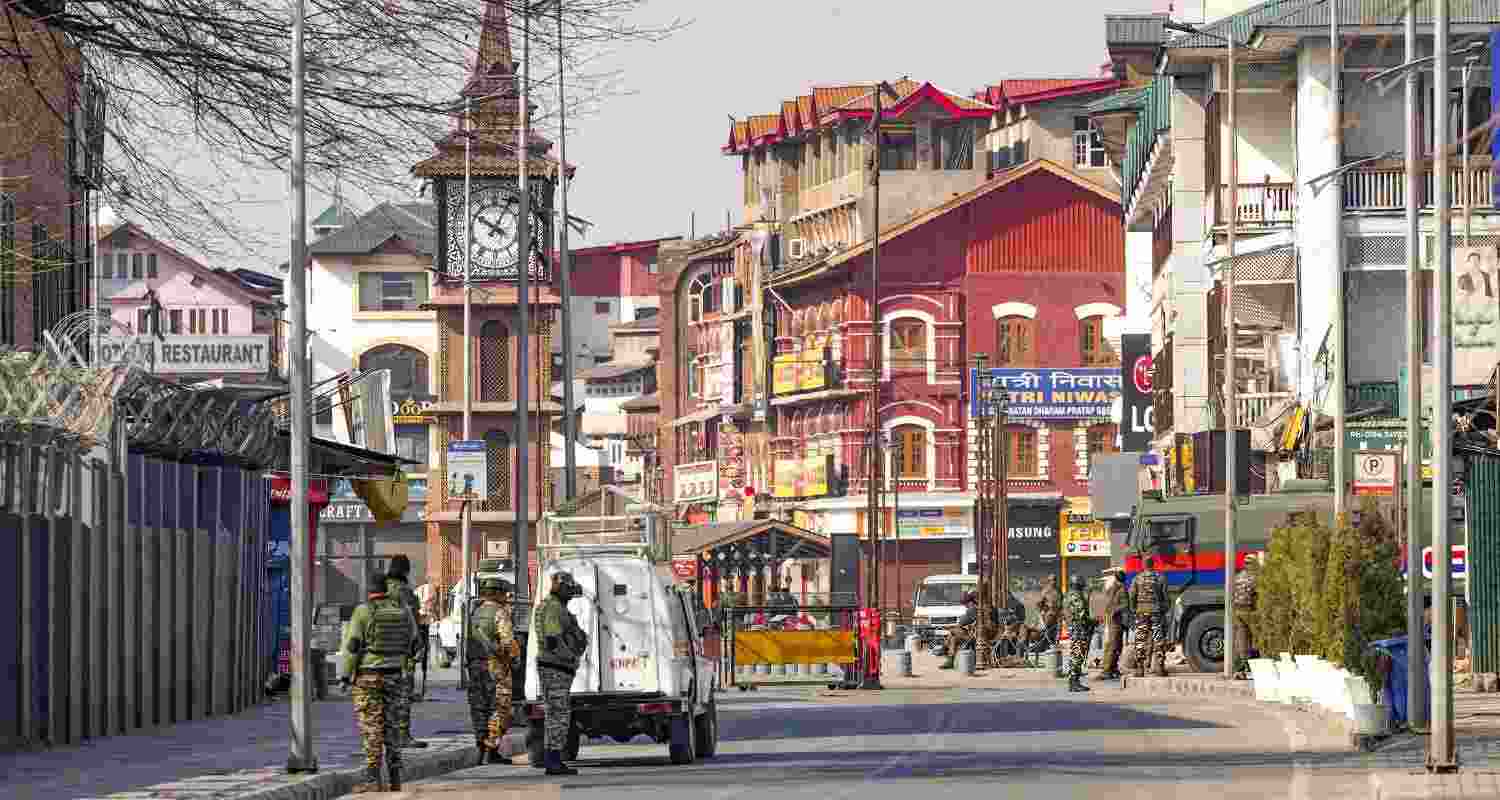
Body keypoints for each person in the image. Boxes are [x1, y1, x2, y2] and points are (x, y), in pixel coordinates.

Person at [340, 566, 419, 794]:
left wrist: (345, 675)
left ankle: (373, 777)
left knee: (372, 727)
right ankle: (395, 778)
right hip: (396, 676)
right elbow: (415, 644)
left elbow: (353, 646)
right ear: (386, 589)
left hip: (368, 677)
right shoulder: (402, 610)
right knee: (393, 726)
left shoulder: (363, 612)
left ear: (369, 591)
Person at [535, 571, 589, 776]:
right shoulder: (553, 608)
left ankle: (554, 759)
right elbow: (552, 639)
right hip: (555, 667)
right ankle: (553, 760)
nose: (570, 594)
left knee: (556, 714)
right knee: (558, 715)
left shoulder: (553, 606)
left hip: (555, 667)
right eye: (569, 590)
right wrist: (570, 658)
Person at [467, 576, 518, 765]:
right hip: (495, 666)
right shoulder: (499, 612)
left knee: (479, 707)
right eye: (504, 593)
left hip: (474, 666)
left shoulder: (476, 612)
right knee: (499, 707)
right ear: (497, 594)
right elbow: (507, 642)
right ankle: (492, 749)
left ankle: (480, 747)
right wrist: (515, 657)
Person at [384, 555, 426, 749]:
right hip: (402, 653)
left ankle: (386, 736)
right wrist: (418, 645)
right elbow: (413, 623)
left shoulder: (381, 590)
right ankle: (402, 735)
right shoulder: (405, 593)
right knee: (402, 696)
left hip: (379, 653)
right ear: (406, 571)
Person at [1129, 555, 1169, 678]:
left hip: (1141, 612)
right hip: (1156, 612)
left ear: (1143, 565)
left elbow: (1132, 595)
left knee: (1141, 639)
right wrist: (1164, 609)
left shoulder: (1137, 578)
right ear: (1153, 564)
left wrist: (1134, 609)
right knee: (1158, 638)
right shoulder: (1160, 577)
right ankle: (1160, 667)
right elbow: (1165, 597)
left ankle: (1140, 668)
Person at [939, 592, 996, 669]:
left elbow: (961, 624)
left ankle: (946, 651)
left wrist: (948, 627)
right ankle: (949, 658)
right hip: (989, 635)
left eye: (965, 604)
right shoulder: (990, 608)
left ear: (970, 602)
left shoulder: (973, 610)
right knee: (953, 638)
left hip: (979, 637)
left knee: (953, 631)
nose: (965, 606)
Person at [1063, 574, 1095, 692]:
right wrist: (1092, 621)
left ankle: (1074, 680)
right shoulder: (1076, 596)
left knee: (1076, 653)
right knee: (1078, 653)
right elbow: (1081, 614)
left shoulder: (1069, 595)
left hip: (1074, 626)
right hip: (1078, 627)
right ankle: (1074, 681)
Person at [1095, 567, 1127, 680]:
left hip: (1115, 620)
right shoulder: (1115, 589)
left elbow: (1124, 604)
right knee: (1113, 645)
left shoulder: (1119, 589)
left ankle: (1111, 668)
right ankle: (1107, 669)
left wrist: (1114, 611)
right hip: (1112, 620)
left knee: (1115, 645)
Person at [1232, 555, 1259, 672]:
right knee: (1255, 637)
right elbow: (1257, 594)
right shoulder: (1253, 578)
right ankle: (1254, 663)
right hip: (1248, 610)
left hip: (1237, 610)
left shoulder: (1237, 577)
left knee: (1241, 638)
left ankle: (1242, 664)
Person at [1037, 575, 1062, 645]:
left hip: (1057, 614)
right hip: (1048, 614)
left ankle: (1055, 644)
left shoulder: (1058, 590)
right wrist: (1041, 614)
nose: (1053, 582)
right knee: (1047, 631)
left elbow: (1061, 602)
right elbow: (1040, 603)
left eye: (1055, 580)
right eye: (1052, 580)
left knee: (1056, 631)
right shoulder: (1045, 591)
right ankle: (1046, 645)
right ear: (1049, 581)